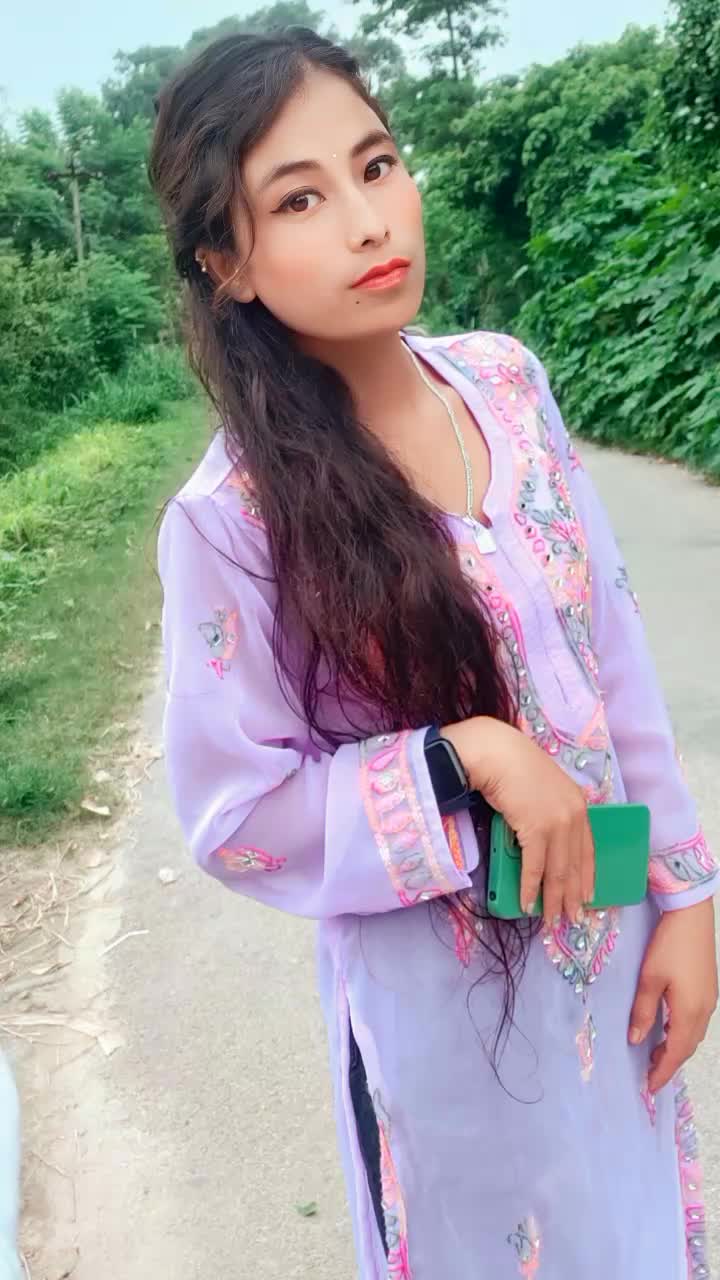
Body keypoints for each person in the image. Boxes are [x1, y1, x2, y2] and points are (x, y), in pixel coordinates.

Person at [149, 29, 718, 1279]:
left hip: (615, 949)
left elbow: (613, 651)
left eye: (376, 165)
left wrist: (687, 897)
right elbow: (237, 813)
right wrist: (463, 758)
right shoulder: (235, 520)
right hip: (451, 1030)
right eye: (299, 199)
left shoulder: (506, 384)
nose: (369, 220)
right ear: (224, 262)